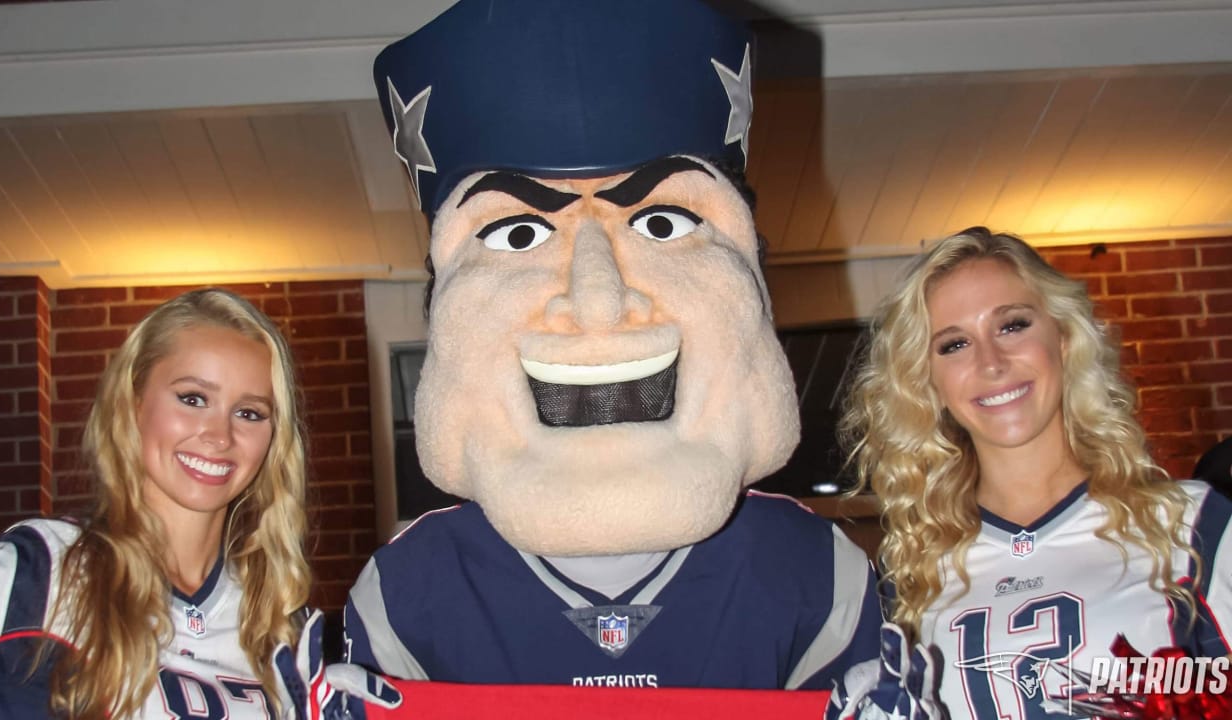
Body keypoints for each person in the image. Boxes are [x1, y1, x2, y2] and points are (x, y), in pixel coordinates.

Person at [343, 0, 882, 693]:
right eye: (518, 235)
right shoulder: (407, 597)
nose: (598, 300)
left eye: (661, 223)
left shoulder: (814, 577)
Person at [840, 227, 1232, 720]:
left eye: (1012, 326)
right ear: (928, 384)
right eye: (955, 344)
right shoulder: (913, 572)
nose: (991, 362)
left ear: (1063, 338)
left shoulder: (1192, 525)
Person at [0, 289, 313, 719]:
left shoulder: (274, 612)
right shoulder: (46, 570)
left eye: (250, 413)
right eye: (193, 398)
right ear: (133, 403)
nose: (219, 435)